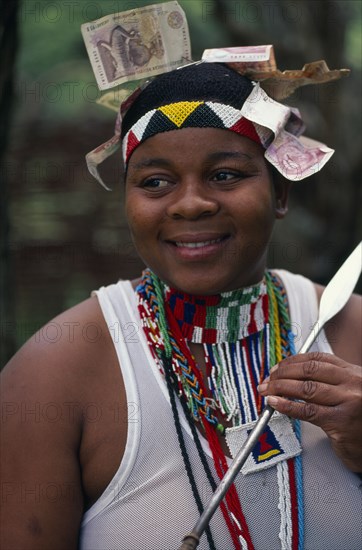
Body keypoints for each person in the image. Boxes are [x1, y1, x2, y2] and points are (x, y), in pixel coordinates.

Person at [1, 60, 361, 550]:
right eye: (154, 182)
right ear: (126, 201)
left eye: (226, 174)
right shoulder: (54, 371)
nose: (190, 204)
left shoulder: (353, 331)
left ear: (279, 191)